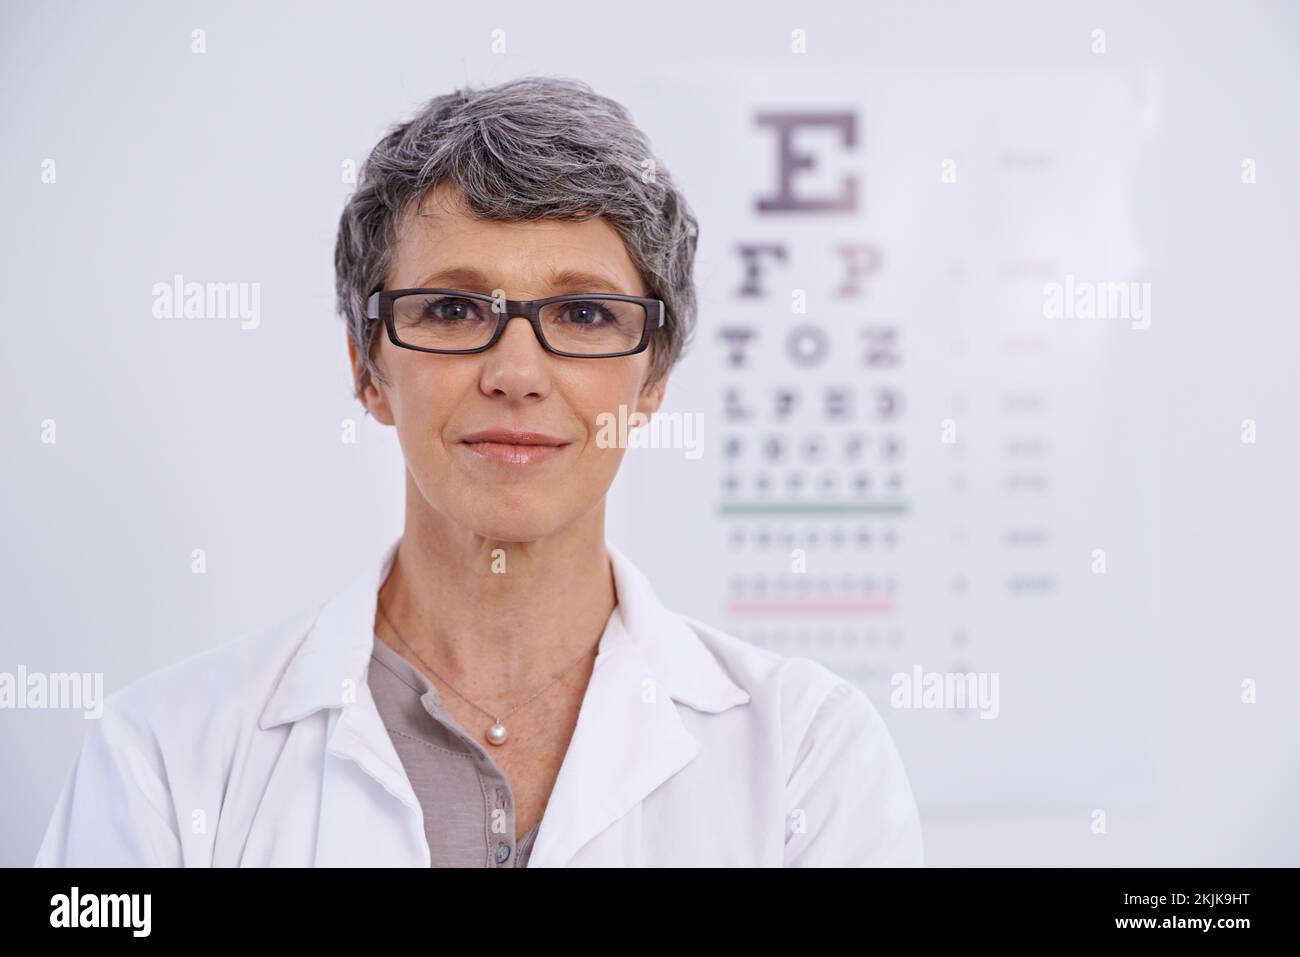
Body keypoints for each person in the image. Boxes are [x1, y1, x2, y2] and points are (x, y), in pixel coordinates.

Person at [34, 75, 923, 867]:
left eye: (581, 312)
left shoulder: (808, 751)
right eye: (455, 308)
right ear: (365, 369)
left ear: (652, 376)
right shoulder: (164, 755)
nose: (517, 372)